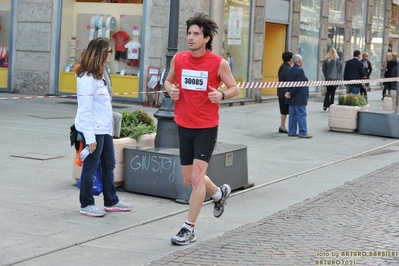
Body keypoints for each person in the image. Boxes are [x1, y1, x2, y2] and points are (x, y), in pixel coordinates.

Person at [164, 12, 239, 245]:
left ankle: (189, 228)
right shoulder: (179, 59)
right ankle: (218, 193)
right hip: (183, 124)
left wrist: (222, 94)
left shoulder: (218, 63)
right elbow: (168, 81)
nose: (190, 37)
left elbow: (235, 87)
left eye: (196, 34)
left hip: (206, 127)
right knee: (190, 178)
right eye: (189, 33)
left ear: (206, 38)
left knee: (197, 177)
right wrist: (170, 90)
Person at [74, 37, 131, 217]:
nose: (110, 55)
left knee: (109, 164)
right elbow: (85, 110)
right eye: (109, 52)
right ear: (100, 53)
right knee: (90, 167)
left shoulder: (100, 75)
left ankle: (111, 200)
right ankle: (86, 203)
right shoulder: (87, 78)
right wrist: (90, 138)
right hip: (93, 130)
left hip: (104, 129)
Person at [284, 54, 312, 139]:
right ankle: (303, 132)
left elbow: (286, 83)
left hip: (291, 98)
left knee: (292, 114)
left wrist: (288, 92)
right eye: (302, 60)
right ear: (299, 61)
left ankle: (292, 131)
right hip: (298, 97)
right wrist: (291, 93)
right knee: (301, 114)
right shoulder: (300, 70)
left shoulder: (290, 70)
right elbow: (299, 85)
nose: (303, 61)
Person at [277, 51, 293, 133]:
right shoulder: (287, 68)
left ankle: (282, 126)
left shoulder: (282, 66)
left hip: (281, 91)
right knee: (285, 110)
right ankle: (283, 126)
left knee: (283, 110)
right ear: (290, 59)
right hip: (284, 92)